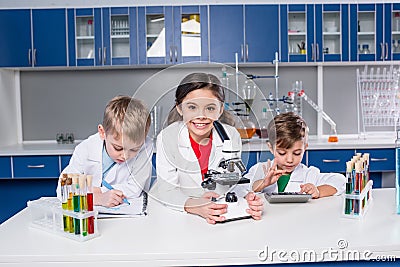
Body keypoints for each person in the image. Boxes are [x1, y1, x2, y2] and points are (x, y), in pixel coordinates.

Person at [151, 72, 263, 224]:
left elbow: (232, 183)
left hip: (217, 215)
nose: (201, 116)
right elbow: (167, 190)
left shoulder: (231, 136)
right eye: (192, 107)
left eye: (210, 108)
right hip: (177, 216)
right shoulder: (167, 138)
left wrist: (246, 198)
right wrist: (196, 206)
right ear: (179, 108)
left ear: (220, 109)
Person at [57, 95, 153, 207]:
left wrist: (96, 191)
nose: (125, 156)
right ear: (102, 133)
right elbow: (63, 189)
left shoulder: (145, 146)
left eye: (134, 149)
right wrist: (97, 198)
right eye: (118, 148)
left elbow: (135, 188)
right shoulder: (86, 149)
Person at [247, 112, 345, 198]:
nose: (290, 160)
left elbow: (340, 181)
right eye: (282, 153)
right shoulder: (260, 169)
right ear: (271, 148)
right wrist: (263, 184)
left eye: (297, 153)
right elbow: (239, 189)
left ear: (305, 148)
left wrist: (318, 191)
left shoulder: (309, 174)